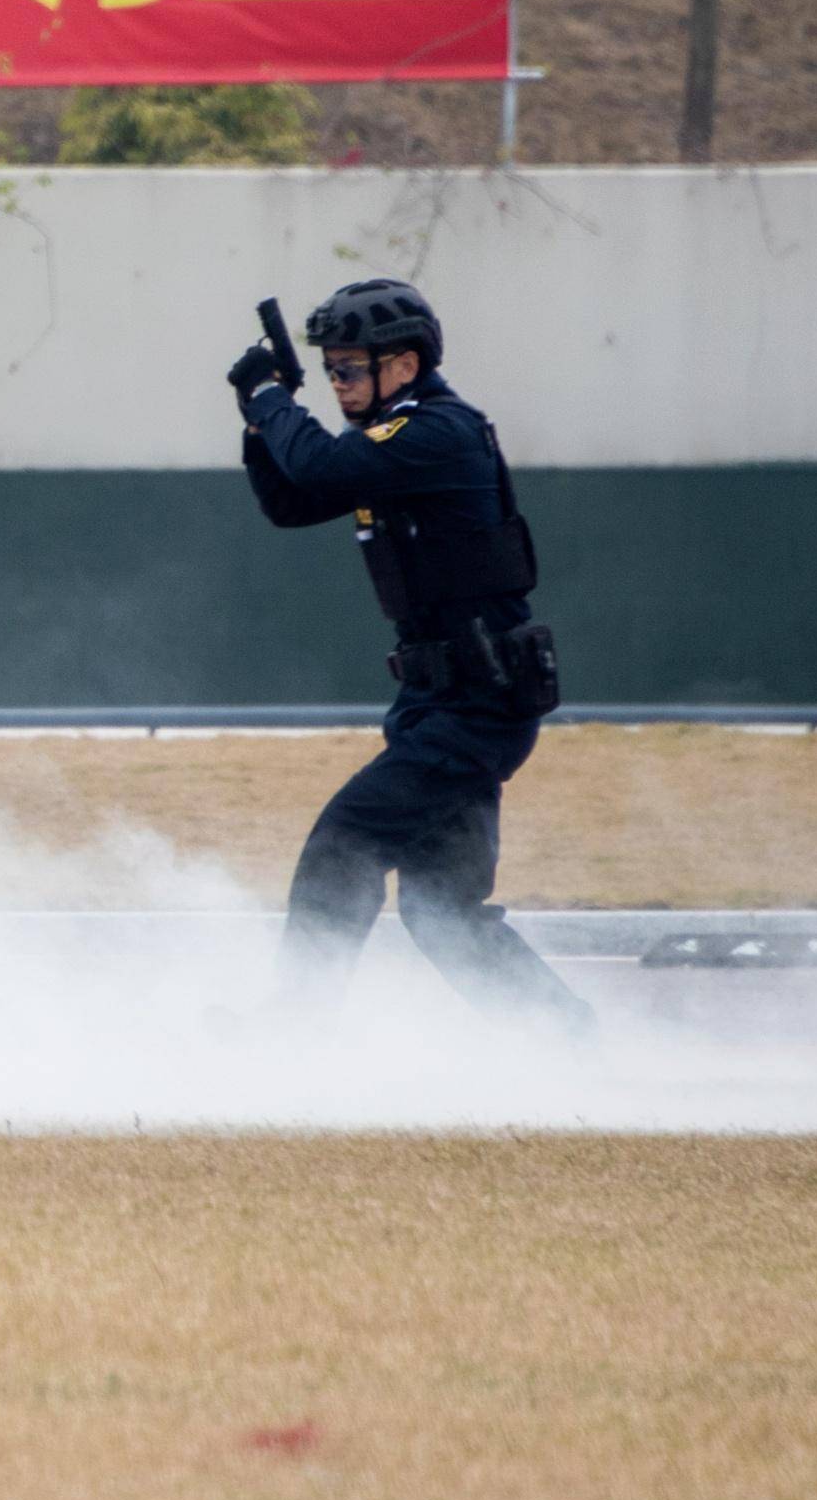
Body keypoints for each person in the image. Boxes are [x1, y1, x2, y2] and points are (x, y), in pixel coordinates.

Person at [229, 279, 591, 1037]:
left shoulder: (436, 431)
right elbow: (292, 501)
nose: (337, 385)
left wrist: (272, 399)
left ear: (403, 363)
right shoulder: (389, 440)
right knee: (438, 909)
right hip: (442, 700)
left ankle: (293, 1026)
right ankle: (563, 1038)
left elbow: (324, 470)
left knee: (344, 842)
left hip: (477, 702)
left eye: (350, 369)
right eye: (329, 371)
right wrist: (258, 424)